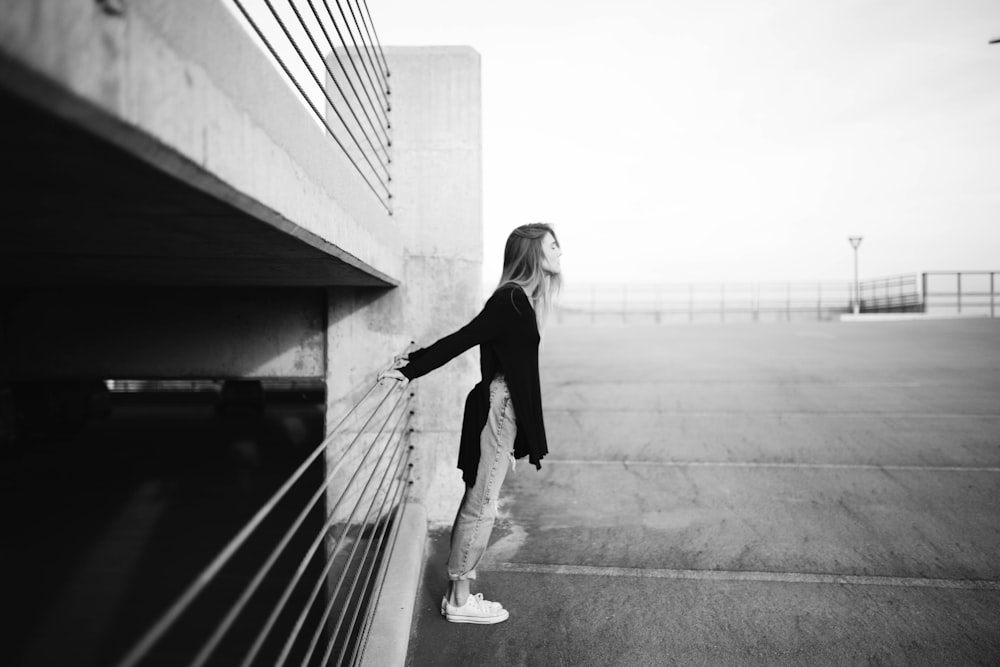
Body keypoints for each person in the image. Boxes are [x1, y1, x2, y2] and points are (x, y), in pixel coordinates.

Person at [378, 222, 562, 624]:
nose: (559, 251)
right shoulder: (510, 301)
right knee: (482, 506)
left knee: (479, 500)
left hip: (503, 408)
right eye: (552, 245)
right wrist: (411, 369)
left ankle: (456, 593)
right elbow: (463, 338)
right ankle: (460, 601)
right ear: (532, 253)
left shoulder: (519, 300)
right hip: (500, 408)